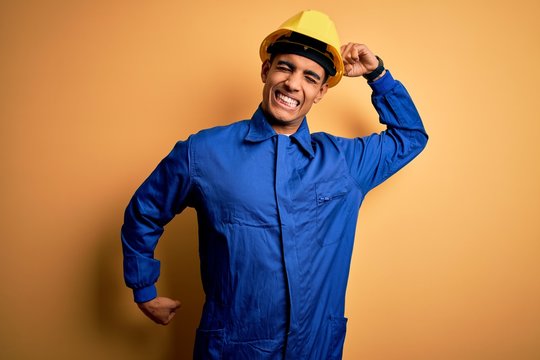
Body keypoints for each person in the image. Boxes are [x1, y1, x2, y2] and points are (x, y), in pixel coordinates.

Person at [121, 9, 428, 360]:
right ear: (266, 71)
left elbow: (410, 137)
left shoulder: (345, 163)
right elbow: (145, 211)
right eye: (285, 67)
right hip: (231, 350)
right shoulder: (205, 153)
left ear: (321, 92)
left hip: (315, 349)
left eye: (310, 77)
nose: (294, 84)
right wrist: (143, 288)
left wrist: (378, 74)